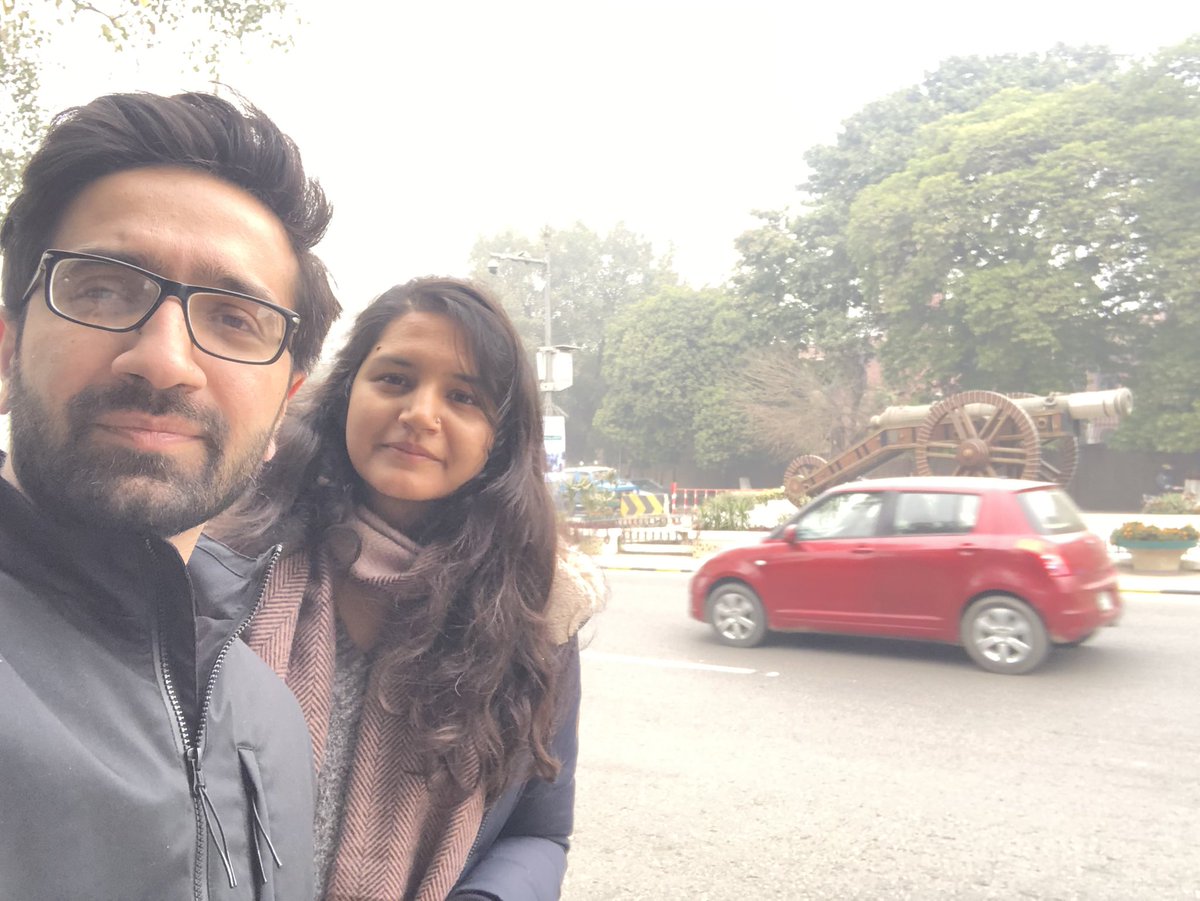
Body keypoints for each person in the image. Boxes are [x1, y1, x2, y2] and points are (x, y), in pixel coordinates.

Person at [0, 91, 341, 899]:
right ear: (7, 348)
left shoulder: (271, 719)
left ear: (283, 405)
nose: (164, 360)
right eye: (102, 290)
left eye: (235, 318)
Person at [215, 277, 606, 901]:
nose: (421, 414)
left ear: (499, 438)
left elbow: (537, 831)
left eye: (463, 396)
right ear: (347, 393)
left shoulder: (535, 608)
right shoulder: (228, 557)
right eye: (395, 379)